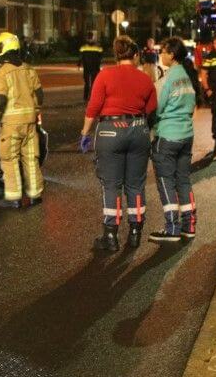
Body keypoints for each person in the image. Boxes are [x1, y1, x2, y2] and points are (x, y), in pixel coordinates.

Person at [79, 36, 157, 252]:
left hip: (110, 132)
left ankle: (110, 236)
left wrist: (85, 133)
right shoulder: (145, 79)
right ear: (136, 55)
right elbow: (152, 107)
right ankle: (135, 232)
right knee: (136, 184)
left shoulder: (105, 75)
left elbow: (93, 106)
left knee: (111, 184)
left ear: (116, 55)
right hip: (138, 129)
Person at [0, 32, 44, 208]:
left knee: (9, 159)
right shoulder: (28, 69)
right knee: (31, 158)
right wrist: (35, 112)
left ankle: (14, 198)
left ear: (2, 48)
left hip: (11, 124)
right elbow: (39, 94)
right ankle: (35, 195)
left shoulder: (0, 72)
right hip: (29, 122)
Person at [149, 38, 197, 243]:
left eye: (164, 51)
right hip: (186, 134)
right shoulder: (186, 77)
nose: (161, 55)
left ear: (172, 55)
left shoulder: (168, 79)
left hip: (167, 135)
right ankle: (189, 225)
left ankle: (172, 228)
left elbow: (157, 108)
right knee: (183, 180)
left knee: (165, 181)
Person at [78, 31, 103, 102]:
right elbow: (100, 57)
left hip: (86, 68)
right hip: (95, 68)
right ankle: (92, 97)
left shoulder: (83, 47)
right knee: (94, 83)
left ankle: (86, 97)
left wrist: (79, 65)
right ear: (93, 37)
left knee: (87, 83)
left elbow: (81, 57)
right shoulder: (98, 47)